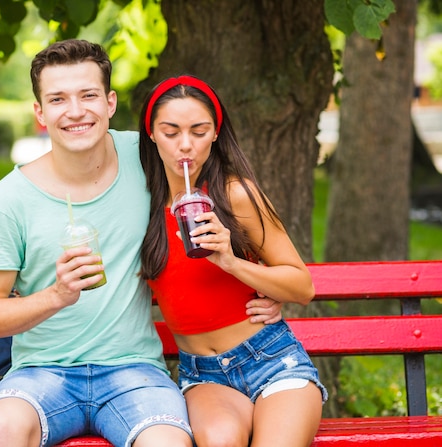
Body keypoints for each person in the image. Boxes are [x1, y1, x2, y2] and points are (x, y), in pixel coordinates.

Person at [0, 39, 281, 447]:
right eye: (58, 99)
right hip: (42, 373)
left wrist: (264, 283)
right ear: (39, 112)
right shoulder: (7, 202)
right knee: (3, 426)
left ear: (111, 102)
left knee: (168, 442)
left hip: (134, 371)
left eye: (88, 95)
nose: (76, 111)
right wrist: (56, 296)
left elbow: (218, 196)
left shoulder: (147, 155)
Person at [138, 75, 328, 447]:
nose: (185, 146)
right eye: (171, 132)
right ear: (151, 135)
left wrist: (232, 262)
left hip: (271, 360)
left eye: (198, 130)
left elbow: (302, 287)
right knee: (221, 440)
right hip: (204, 375)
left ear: (214, 134)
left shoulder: (234, 195)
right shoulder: (139, 207)